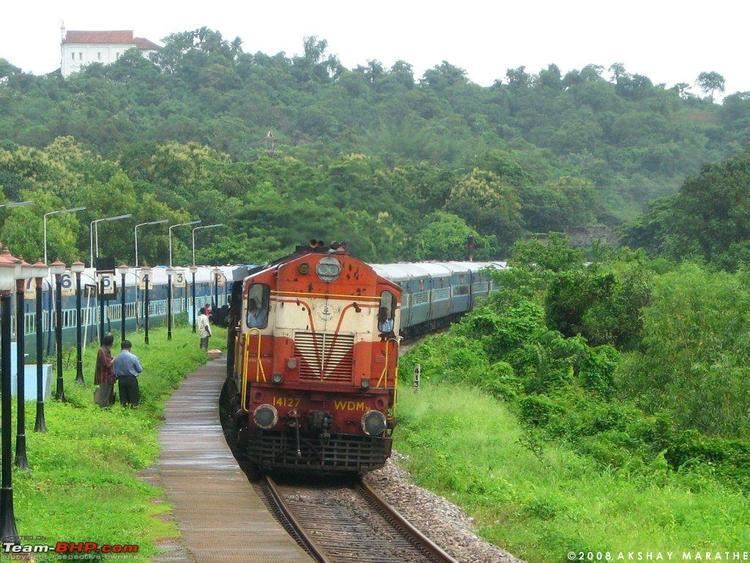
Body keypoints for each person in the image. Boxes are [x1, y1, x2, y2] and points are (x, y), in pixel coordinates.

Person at [114, 340, 143, 407]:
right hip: (131, 379)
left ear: (121, 348)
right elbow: (139, 369)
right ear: (130, 347)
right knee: (134, 398)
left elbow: (114, 370)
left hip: (121, 380)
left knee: (123, 399)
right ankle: (133, 410)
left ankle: (124, 412)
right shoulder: (133, 357)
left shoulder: (117, 358)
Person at [94, 334, 116, 407]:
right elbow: (107, 364)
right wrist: (114, 360)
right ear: (110, 343)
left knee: (108, 393)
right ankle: (104, 408)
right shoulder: (102, 351)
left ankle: (107, 407)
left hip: (109, 377)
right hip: (105, 377)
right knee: (104, 395)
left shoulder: (106, 350)